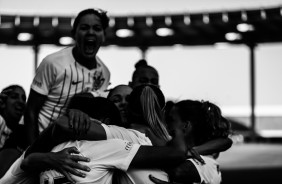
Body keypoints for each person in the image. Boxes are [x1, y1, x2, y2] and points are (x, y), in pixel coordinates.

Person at [0, 88, 189, 184]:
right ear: (101, 123)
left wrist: (48, 158)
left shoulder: (51, 152)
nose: (122, 104)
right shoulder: (114, 144)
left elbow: (26, 162)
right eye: (116, 100)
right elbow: (177, 154)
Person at [24, 8, 111, 146]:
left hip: (71, 145)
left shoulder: (104, 73)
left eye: (97, 28)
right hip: (41, 139)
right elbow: (31, 111)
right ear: (74, 34)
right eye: (84, 27)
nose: (90, 32)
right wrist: (33, 150)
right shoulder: (53, 63)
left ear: (104, 35)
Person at [149, 100, 232, 184]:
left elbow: (179, 171)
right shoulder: (194, 154)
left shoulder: (206, 162)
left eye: (171, 120)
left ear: (186, 125)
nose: (166, 125)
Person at [0, 85, 26, 177]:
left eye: (24, 98)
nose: (21, 102)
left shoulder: (23, 132)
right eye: (14, 97)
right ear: (2, 102)